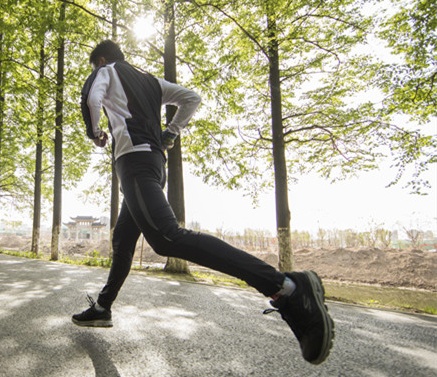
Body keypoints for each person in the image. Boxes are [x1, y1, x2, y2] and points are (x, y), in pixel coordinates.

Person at [72, 40, 334, 365]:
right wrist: (171, 133)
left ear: (99, 59)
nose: (96, 72)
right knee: (123, 240)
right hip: (154, 163)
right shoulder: (150, 80)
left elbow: (91, 98)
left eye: (94, 66)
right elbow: (190, 98)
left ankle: (287, 288)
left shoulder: (105, 70)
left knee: (167, 238)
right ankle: (103, 307)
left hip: (134, 163)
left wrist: (95, 132)